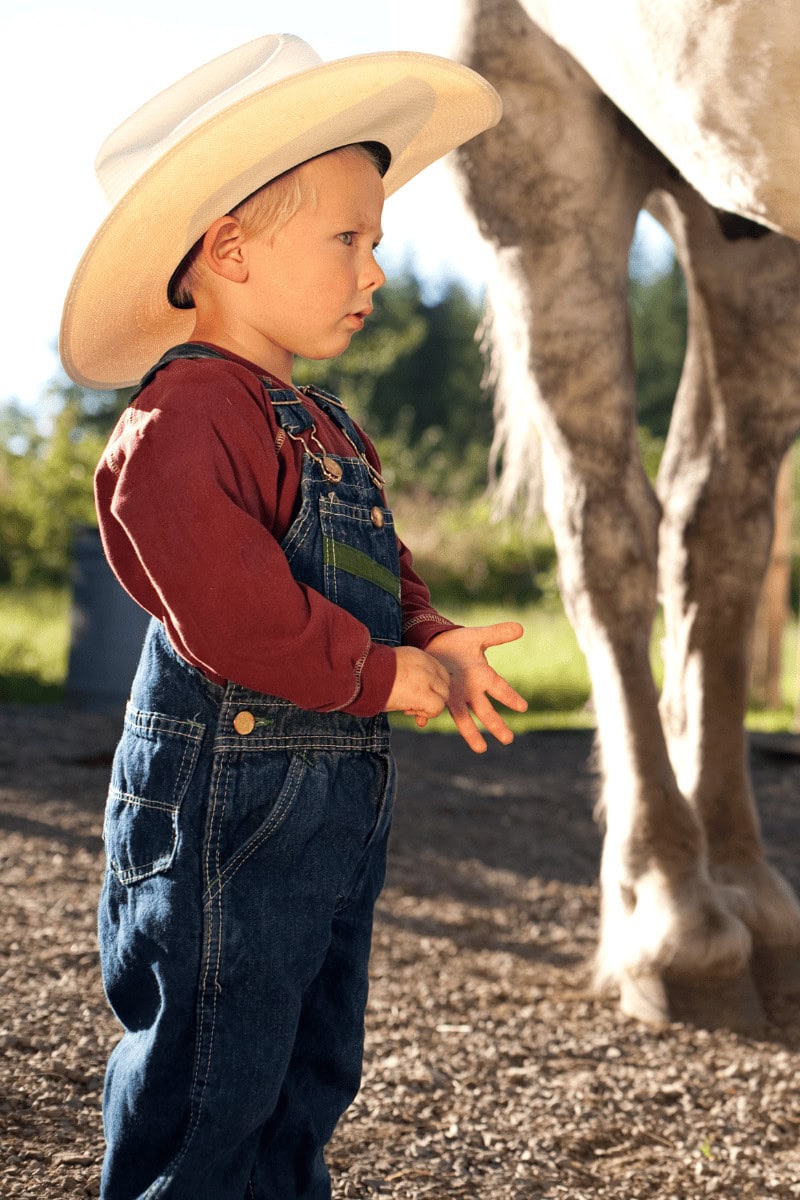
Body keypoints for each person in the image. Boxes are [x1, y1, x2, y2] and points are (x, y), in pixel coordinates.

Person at [60, 33, 527, 1200]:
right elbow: (235, 617)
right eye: (348, 240)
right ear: (229, 249)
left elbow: (381, 568)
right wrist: (377, 678)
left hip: (322, 811)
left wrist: (427, 639)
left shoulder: (318, 425)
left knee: (307, 1065)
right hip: (226, 808)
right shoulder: (181, 423)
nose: (375, 271)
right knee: (211, 1071)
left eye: (375, 243)